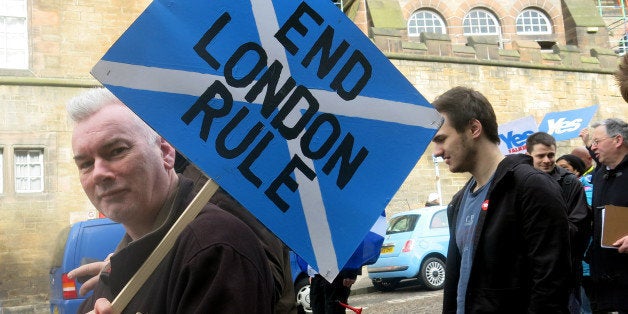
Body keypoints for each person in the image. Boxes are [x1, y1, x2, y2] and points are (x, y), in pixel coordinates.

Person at [65, 88, 274, 313]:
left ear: (165, 152)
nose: (98, 173)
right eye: (85, 164)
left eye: (117, 151)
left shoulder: (214, 247)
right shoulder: (119, 266)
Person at [431, 86, 571, 313]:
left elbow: (551, 287)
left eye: (441, 139)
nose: (437, 151)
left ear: (474, 129)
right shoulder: (458, 203)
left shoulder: (532, 187)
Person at [525, 132, 592, 314]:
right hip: (528, 274)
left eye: (551, 155)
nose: (547, 160)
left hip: (563, 273)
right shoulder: (518, 181)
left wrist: (540, 234)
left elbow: (579, 227)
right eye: (540, 156)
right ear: (529, 154)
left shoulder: (570, 183)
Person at [579, 118, 628, 313]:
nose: (593, 146)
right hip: (602, 282)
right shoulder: (599, 175)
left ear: (617, 140)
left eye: (597, 141)